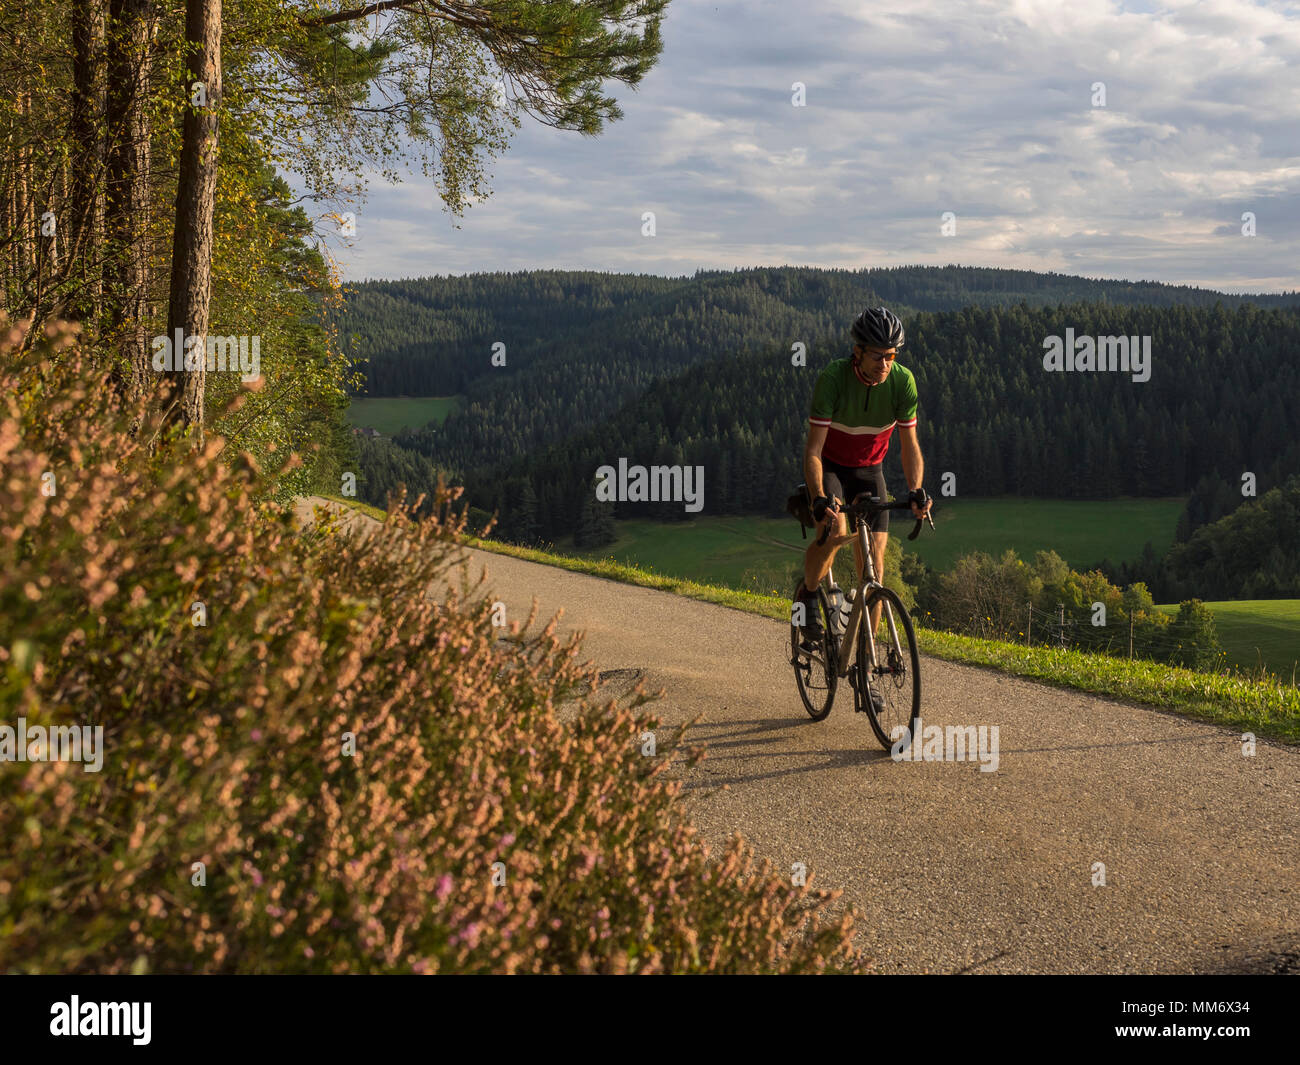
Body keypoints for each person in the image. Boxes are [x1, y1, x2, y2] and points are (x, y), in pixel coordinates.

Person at [795, 307, 932, 654]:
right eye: (876, 356)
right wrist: (818, 498)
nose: (884, 364)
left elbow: (909, 446)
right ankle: (808, 593)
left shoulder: (903, 382)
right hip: (831, 467)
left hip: (871, 470)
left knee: (875, 569)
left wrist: (916, 490)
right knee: (836, 533)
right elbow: (813, 449)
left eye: (890, 356)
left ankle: (867, 668)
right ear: (857, 351)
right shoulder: (833, 379)